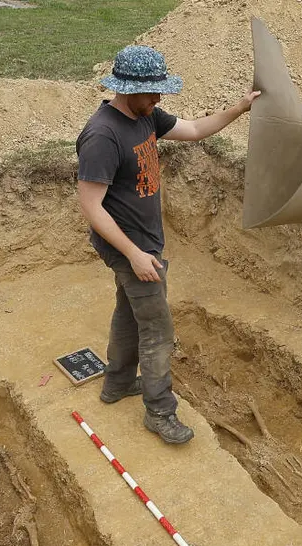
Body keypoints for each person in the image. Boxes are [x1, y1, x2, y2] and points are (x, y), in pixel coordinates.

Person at [76, 45, 258, 444]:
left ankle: (118, 384)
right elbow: (91, 207)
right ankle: (160, 412)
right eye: (153, 91)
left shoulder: (145, 116)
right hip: (130, 248)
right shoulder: (103, 136)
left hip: (142, 245)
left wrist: (239, 109)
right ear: (126, 89)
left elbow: (192, 130)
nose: (160, 99)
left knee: (129, 312)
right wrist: (135, 255)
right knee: (157, 330)